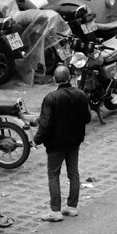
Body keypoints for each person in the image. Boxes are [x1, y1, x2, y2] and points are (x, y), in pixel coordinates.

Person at [33, 65, 91, 222]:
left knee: (53, 175)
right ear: (70, 77)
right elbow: (87, 118)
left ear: (54, 79)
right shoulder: (80, 94)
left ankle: (55, 211)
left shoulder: (51, 98)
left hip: (56, 144)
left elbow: (45, 124)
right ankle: (72, 207)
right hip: (74, 141)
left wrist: (36, 140)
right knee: (73, 172)